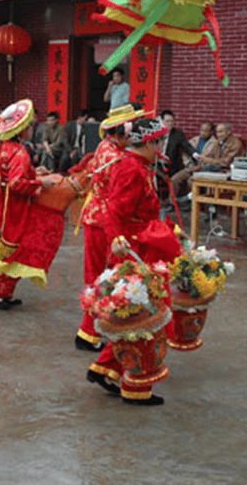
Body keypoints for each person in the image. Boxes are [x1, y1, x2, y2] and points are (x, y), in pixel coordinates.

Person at [87, 117, 182, 406]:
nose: (161, 149)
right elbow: (114, 211)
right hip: (137, 249)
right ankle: (136, 387)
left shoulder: (136, 166)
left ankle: (106, 367)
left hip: (143, 243)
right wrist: (117, 239)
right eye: (159, 143)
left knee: (138, 313)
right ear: (150, 143)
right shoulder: (131, 169)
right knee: (146, 315)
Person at [76, 104, 144, 351]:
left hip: (94, 216)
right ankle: (94, 330)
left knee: (95, 274)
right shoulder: (119, 159)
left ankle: (89, 331)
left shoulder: (104, 146)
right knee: (105, 276)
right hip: (107, 221)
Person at [0, 99, 59, 309]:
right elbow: (17, 183)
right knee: (20, 251)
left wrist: (34, 172)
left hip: (4, 204)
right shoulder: (20, 153)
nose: (32, 129)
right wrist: (40, 182)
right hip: (17, 207)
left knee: (12, 251)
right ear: (22, 129)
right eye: (30, 125)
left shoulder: (6, 147)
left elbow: (9, 174)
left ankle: (1, 290)